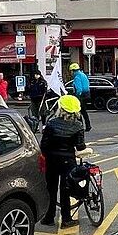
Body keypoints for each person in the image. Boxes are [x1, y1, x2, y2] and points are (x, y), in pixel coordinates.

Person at [40, 94, 88, 227]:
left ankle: (49, 217)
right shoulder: (77, 125)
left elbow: (43, 145)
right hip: (68, 161)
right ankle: (66, 219)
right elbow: (80, 146)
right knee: (65, 189)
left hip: (51, 160)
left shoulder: (51, 123)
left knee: (51, 188)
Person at [68, 63, 92, 132]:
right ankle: (88, 125)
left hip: (81, 96)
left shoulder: (77, 77)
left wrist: (77, 96)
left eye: (71, 71)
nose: (71, 73)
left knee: (77, 111)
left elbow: (79, 89)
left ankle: (80, 126)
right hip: (87, 94)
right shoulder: (83, 75)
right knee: (84, 112)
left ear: (73, 70)